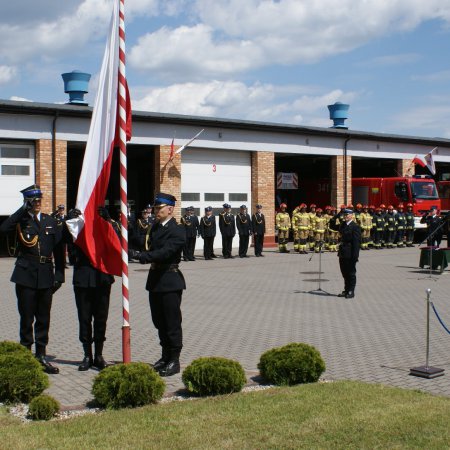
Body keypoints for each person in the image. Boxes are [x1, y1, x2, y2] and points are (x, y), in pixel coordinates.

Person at [0, 185, 65, 374]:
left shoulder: (49, 221)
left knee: (43, 318)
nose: (37, 203)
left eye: (38, 200)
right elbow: (3, 229)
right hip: (25, 276)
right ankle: (25, 356)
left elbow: (60, 250)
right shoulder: (21, 220)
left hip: (46, 275)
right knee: (27, 318)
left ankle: (41, 356)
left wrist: (59, 275)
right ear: (27, 202)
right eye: (33, 201)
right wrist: (22, 210)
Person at [135, 192, 186, 377]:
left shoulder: (178, 230)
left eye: (159, 208)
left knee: (172, 323)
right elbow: (142, 241)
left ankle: (174, 360)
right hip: (155, 280)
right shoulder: (155, 228)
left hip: (170, 280)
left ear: (170, 209)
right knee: (159, 322)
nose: (156, 211)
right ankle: (165, 356)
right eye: (155, 208)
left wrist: (142, 257)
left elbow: (165, 252)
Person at [65, 207, 117, 371]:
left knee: (101, 318)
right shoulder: (77, 226)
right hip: (83, 277)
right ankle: (87, 355)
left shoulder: (104, 224)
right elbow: (65, 241)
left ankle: (99, 355)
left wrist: (109, 221)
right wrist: (68, 222)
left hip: (102, 277)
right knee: (84, 318)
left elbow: (117, 239)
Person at [337, 209, 361, 299]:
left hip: (350, 253)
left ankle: (351, 291)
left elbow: (356, 243)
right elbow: (331, 224)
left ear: (352, 215)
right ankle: (346, 290)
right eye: (344, 214)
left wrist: (355, 256)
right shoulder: (343, 225)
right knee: (344, 273)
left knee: (351, 273)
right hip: (342, 252)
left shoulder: (355, 227)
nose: (345, 216)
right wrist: (338, 214)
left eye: (347, 214)